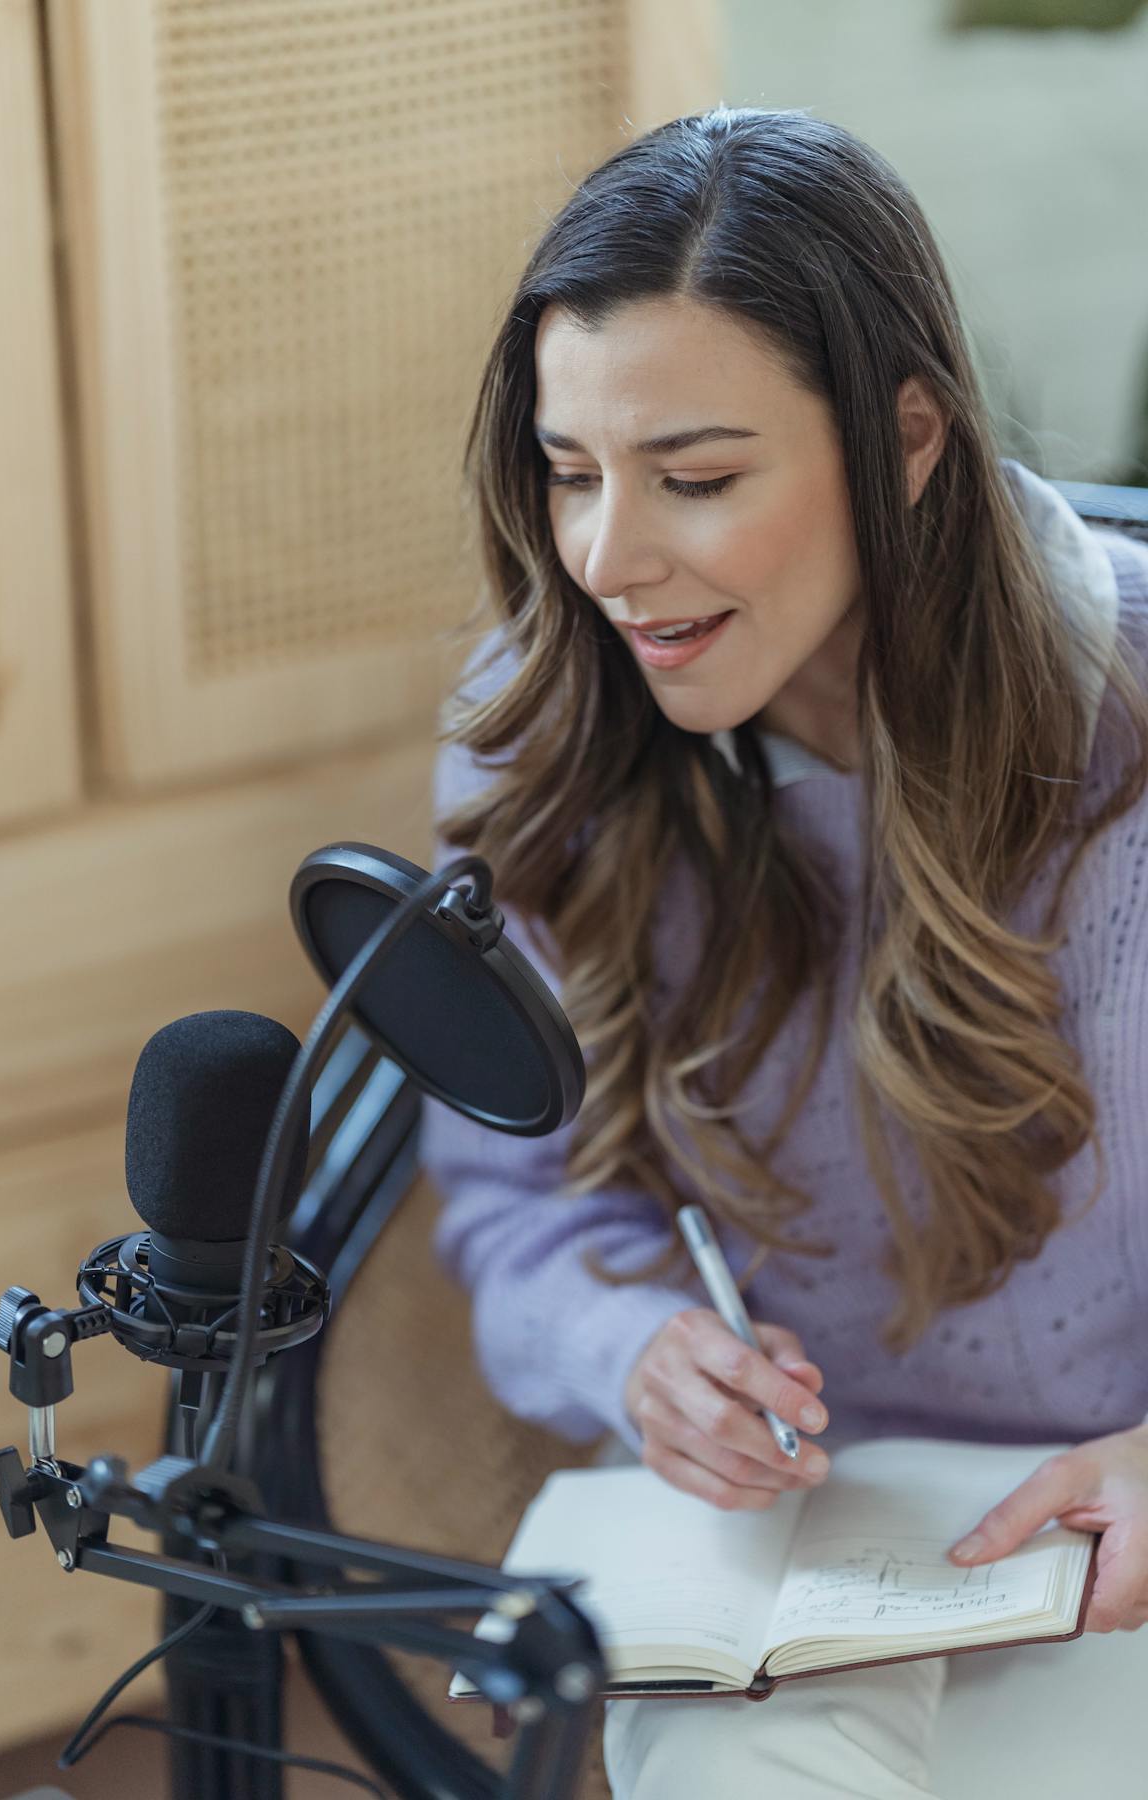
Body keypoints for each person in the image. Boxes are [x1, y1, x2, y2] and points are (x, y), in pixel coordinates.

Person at [419, 106, 1148, 1797]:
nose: (606, 558)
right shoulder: (535, 743)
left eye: (696, 478)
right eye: (570, 469)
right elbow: (525, 1204)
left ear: (908, 443)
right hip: (776, 1558)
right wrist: (637, 1354)